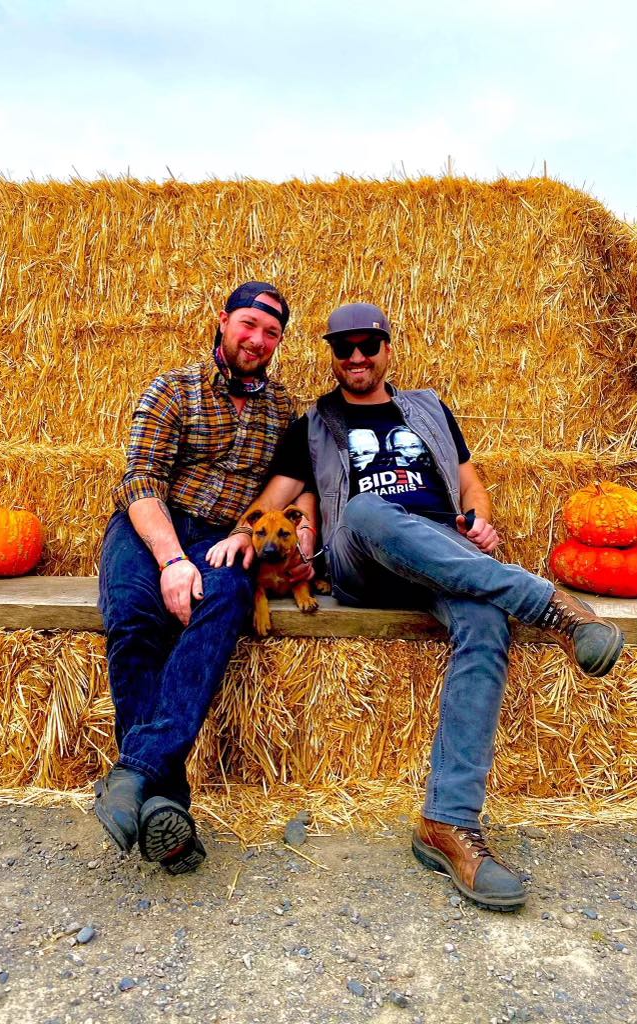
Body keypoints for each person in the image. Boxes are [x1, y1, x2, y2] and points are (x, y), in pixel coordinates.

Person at [207, 301, 625, 911]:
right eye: (342, 347)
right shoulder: (315, 424)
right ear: (332, 354)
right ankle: (547, 602)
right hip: (364, 553)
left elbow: (469, 479)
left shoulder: (428, 407)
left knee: (485, 620)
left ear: (386, 349)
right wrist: (239, 533)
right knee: (370, 509)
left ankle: (448, 823)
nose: (355, 357)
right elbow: (274, 499)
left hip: (441, 552)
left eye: (366, 345)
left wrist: (479, 517)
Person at [95, 282, 315, 875]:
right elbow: (140, 483)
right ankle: (166, 798)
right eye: (249, 325)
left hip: (224, 538)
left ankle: (134, 775)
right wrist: (171, 559)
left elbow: (300, 485)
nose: (257, 340)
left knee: (225, 607)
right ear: (222, 322)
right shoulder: (173, 390)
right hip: (153, 527)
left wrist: (279, 540)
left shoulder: (282, 410)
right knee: (137, 614)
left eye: (271, 333)